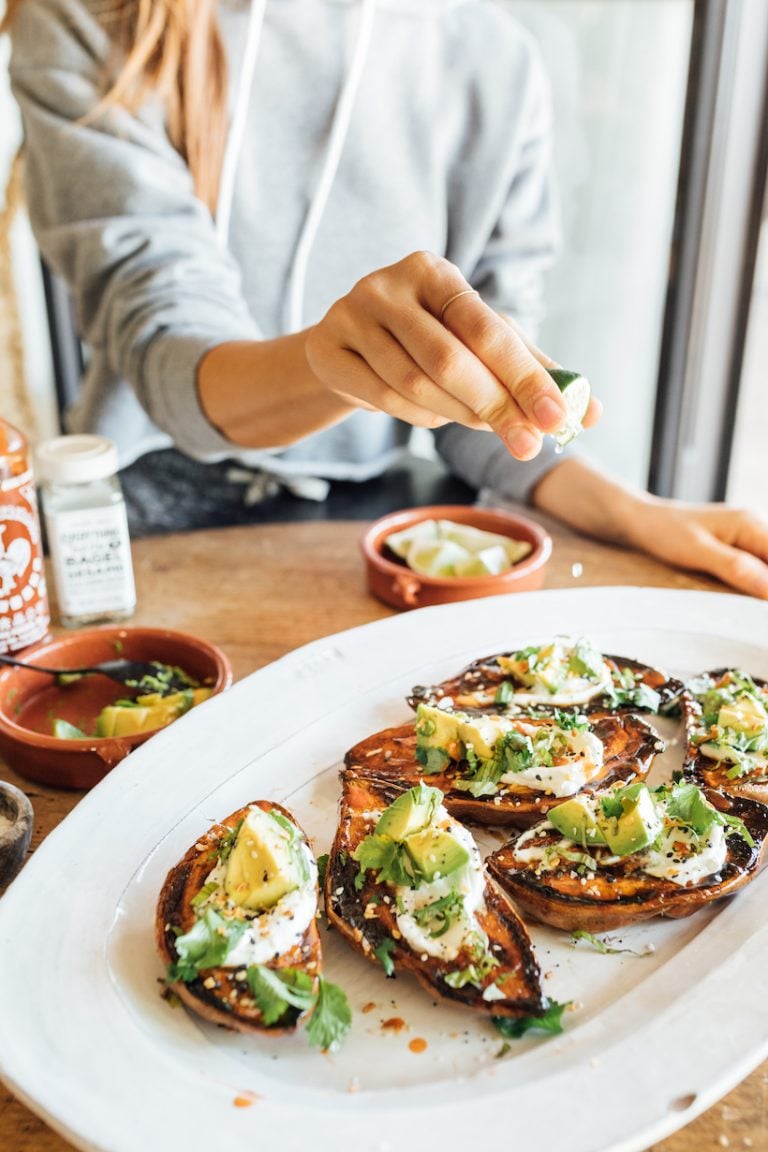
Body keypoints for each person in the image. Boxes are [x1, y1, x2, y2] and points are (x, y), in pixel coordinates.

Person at [4, 0, 768, 598]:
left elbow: (489, 416)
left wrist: (639, 514)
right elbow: (165, 343)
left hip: (380, 514)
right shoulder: (91, 18)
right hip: (135, 517)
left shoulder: (496, 62)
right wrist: (327, 363)